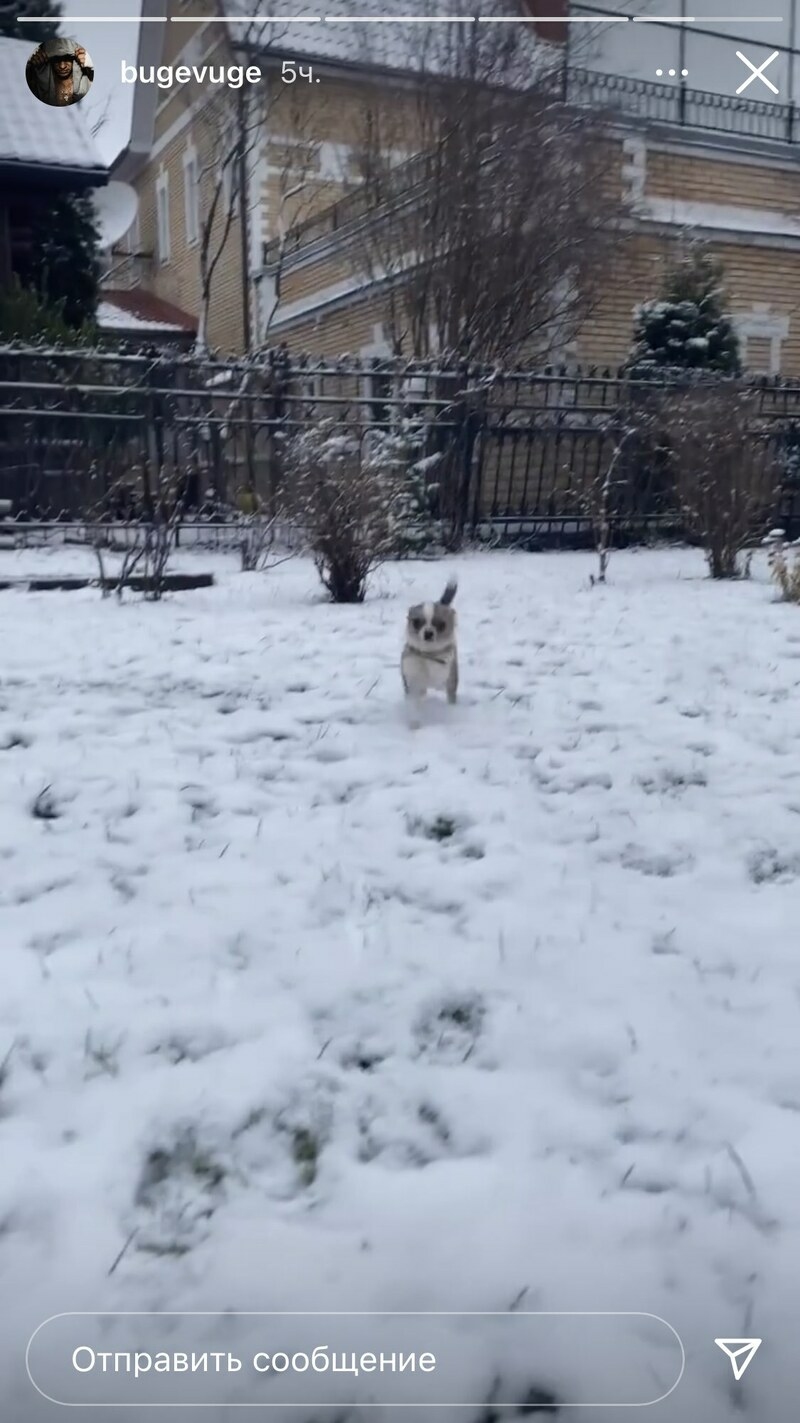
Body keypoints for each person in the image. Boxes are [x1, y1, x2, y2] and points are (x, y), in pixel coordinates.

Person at [26, 37, 94, 107]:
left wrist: (90, 65)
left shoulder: (88, 82)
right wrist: (30, 64)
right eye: (56, 59)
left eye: (67, 58)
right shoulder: (36, 86)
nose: (62, 66)